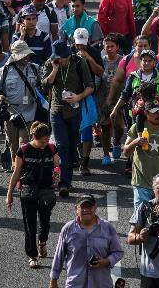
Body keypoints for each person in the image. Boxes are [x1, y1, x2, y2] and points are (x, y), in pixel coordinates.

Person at [40, 39, 94, 198]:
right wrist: (55, 69)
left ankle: (68, 179)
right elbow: (44, 85)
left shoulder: (79, 62)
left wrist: (79, 97)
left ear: (69, 55)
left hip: (74, 111)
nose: (61, 60)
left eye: (63, 57)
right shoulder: (51, 63)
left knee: (71, 146)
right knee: (62, 146)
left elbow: (90, 86)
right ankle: (63, 183)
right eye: (58, 57)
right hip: (57, 111)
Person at [5, 120, 60, 269]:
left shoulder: (52, 148)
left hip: (46, 191)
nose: (45, 144)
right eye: (42, 141)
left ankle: (42, 241)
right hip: (28, 191)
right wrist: (9, 194)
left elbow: (56, 167)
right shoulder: (23, 151)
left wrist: (57, 178)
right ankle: (32, 255)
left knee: (45, 222)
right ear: (34, 137)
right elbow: (16, 173)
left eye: (47, 140)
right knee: (30, 225)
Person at [49, 194, 124, 288]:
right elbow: (58, 256)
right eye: (82, 207)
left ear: (95, 208)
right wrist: (53, 280)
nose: (86, 210)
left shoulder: (107, 228)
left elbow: (118, 252)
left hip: (101, 284)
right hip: (75, 284)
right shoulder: (68, 229)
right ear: (76, 209)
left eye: (89, 207)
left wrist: (106, 261)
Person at [0, 39, 40, 166]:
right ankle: (16, 171)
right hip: (11, 112)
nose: (26, 57)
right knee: (13, 146)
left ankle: (23, 171)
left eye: (27, 54)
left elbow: (43, 86)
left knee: (24, 144)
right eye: (22, 55)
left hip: (30, 112)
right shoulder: (4, 70)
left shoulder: (35, 69)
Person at [123, 100, 159, 208]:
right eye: (155, 112)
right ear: (146, 113)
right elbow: (126, 152)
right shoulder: (136, 127)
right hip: (141, 183)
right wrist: (135, 142)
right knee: (141, 217)